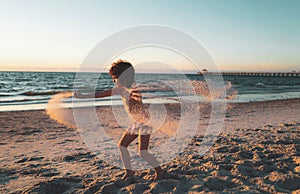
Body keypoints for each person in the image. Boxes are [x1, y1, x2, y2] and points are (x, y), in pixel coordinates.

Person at [74, 59, 164, 180]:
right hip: (136, 123)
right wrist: (82, 96)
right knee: (122, 145)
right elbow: (100, 94)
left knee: (143, 152)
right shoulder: (120, 89)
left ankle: (160, 172)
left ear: (123, 77)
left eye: (115, 78)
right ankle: (129, 172)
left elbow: (136, 97)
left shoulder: (132, 89)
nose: (114, 81)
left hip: (144, 124)